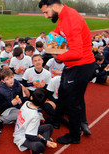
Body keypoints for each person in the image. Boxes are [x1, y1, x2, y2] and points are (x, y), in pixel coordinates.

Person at [39, 0, 95, 144]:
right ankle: (56, 120)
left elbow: (77, 52)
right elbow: (57, 32)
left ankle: (75, 135)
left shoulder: (71, 19)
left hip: (81, 66)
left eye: (46, 12)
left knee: (72, 102)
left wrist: (58, 56)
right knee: (63, 93)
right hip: (72, 66)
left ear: (55, 6)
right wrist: (52, 35)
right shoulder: (63, 16)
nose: (45, 16)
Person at [13, 88, 55, 153]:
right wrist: (44, 140)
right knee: (40, 146)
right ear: (45, 102)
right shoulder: (35, 116)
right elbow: (29, 136)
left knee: (49, 127)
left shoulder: (26, 103)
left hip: (24, 129)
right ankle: (36, 148)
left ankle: (42, 141)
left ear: (31, 97)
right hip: (22, 137)